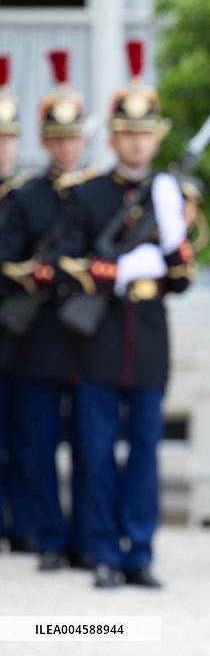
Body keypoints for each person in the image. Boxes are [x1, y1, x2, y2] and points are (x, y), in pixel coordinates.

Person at [53, 40, 196, 589]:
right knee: (93, 450)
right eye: (127, 133)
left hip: (150, 339)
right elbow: (64, 264)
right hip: (98, 338)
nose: (137, 142)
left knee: (143, 452)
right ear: (112, 138)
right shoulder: (88, 196)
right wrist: (119, 269)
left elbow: (180, 277)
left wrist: (173, 242)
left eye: (146, 133)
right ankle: (101, 550)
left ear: (155, 138)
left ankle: (138, 550)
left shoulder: (168, 194)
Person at [0, 49, 95, 571]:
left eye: (72, 137)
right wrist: (38, 271)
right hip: (37, 334)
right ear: (44, 141)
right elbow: (8, 258)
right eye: (55, 139)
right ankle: (45, 535)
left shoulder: (99, 191)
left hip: (84, 335)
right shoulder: (26, 195)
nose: (64, 147)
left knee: (87, 443)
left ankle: (83, 536)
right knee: (35, 444)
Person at [0, 53, 35, 555]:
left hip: (19, 329)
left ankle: (23, 525)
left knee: (25, 434)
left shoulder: (29, 195)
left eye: (8, 139)